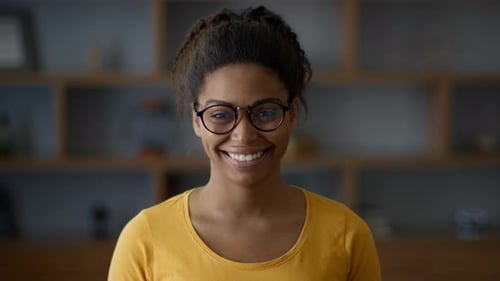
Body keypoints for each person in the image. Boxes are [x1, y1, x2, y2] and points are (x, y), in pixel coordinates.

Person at [108, 6, 381, 281]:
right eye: (221, 115)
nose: (243, 135)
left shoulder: (346, 234)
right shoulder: (145, 239)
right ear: (196, 120)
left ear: (292, 114)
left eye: (265, 112)